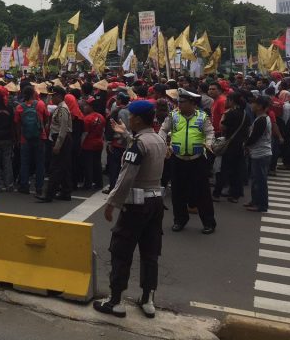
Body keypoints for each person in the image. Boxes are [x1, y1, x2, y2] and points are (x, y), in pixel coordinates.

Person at [94, 100, 168, 319]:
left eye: (130, 117)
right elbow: (142, 149)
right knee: (150, 252)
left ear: (136, 119)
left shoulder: (138, 144)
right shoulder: (158, 139)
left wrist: (112, 203)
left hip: (137, 204)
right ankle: (148, 299)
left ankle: (115, 301)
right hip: (156, 201)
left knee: (121, 250)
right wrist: (126, 134)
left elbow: (126, 177)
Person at [158, 88, 216, 234]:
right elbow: (163, 130)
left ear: (192, 103)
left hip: (197, 160)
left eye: (182, 102)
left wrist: (209, 143)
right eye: (178, 102)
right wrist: (164, 144)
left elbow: (210, 132)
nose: (179, 105)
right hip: (177, 159)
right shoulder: (173, 116)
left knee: (202, 193)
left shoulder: (202, 117)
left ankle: (208, 222)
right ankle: (180, 220)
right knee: (178, 192)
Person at [36, 86, 72, 202]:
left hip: (61, 139)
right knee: (63, 168)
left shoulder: (63, 109)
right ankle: (66, 192)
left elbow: (63, 129)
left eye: (53, 96)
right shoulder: (59, 107)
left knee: (55, 168)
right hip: (59, 138)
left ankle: (48, 195)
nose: (51, 98)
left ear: (59, 96)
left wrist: (57, 145)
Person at [212, 92, 249, 202]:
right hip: (240, 145)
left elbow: (222, 127)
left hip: (230, 145)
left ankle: (216, 194)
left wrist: (224, 115)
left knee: (224, 170)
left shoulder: (230, 113)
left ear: (232, 101)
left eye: (228, 100)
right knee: (237, 171)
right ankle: (235, 195)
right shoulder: (245, 114)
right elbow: (247, 130)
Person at [14, 85, 48, 195]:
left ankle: (24, 186)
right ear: (34, 94)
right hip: (40, 137)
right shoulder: (41, 105)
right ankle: (39, 187)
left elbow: (18, 125)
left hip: (25, 138)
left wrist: (18, 138)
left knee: (25, 163)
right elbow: (46, 118)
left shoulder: (20, 107)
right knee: (39, 163)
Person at [244, 95, 273, 212]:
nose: (251, 105)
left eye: (254, 103)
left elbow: (254, 137)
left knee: (260, 181)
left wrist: (245, 144)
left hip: (261, 153)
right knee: (256, 179)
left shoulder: (262, 120)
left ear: (260, 106)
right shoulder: (260, 118)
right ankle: (255, 201)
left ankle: (261, 205)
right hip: (258, 153)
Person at [81, 100, 106, 190]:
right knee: (97, 164)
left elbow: (85, 134)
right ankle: (99, 183)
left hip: (88, 144)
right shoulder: (101, 117)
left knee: (88, 165)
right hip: (99, 142)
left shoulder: (87, 118)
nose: (84, 107)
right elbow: (103, 131)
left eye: (86, 106)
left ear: (91, 107)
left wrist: (81, 144)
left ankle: (88, 184)